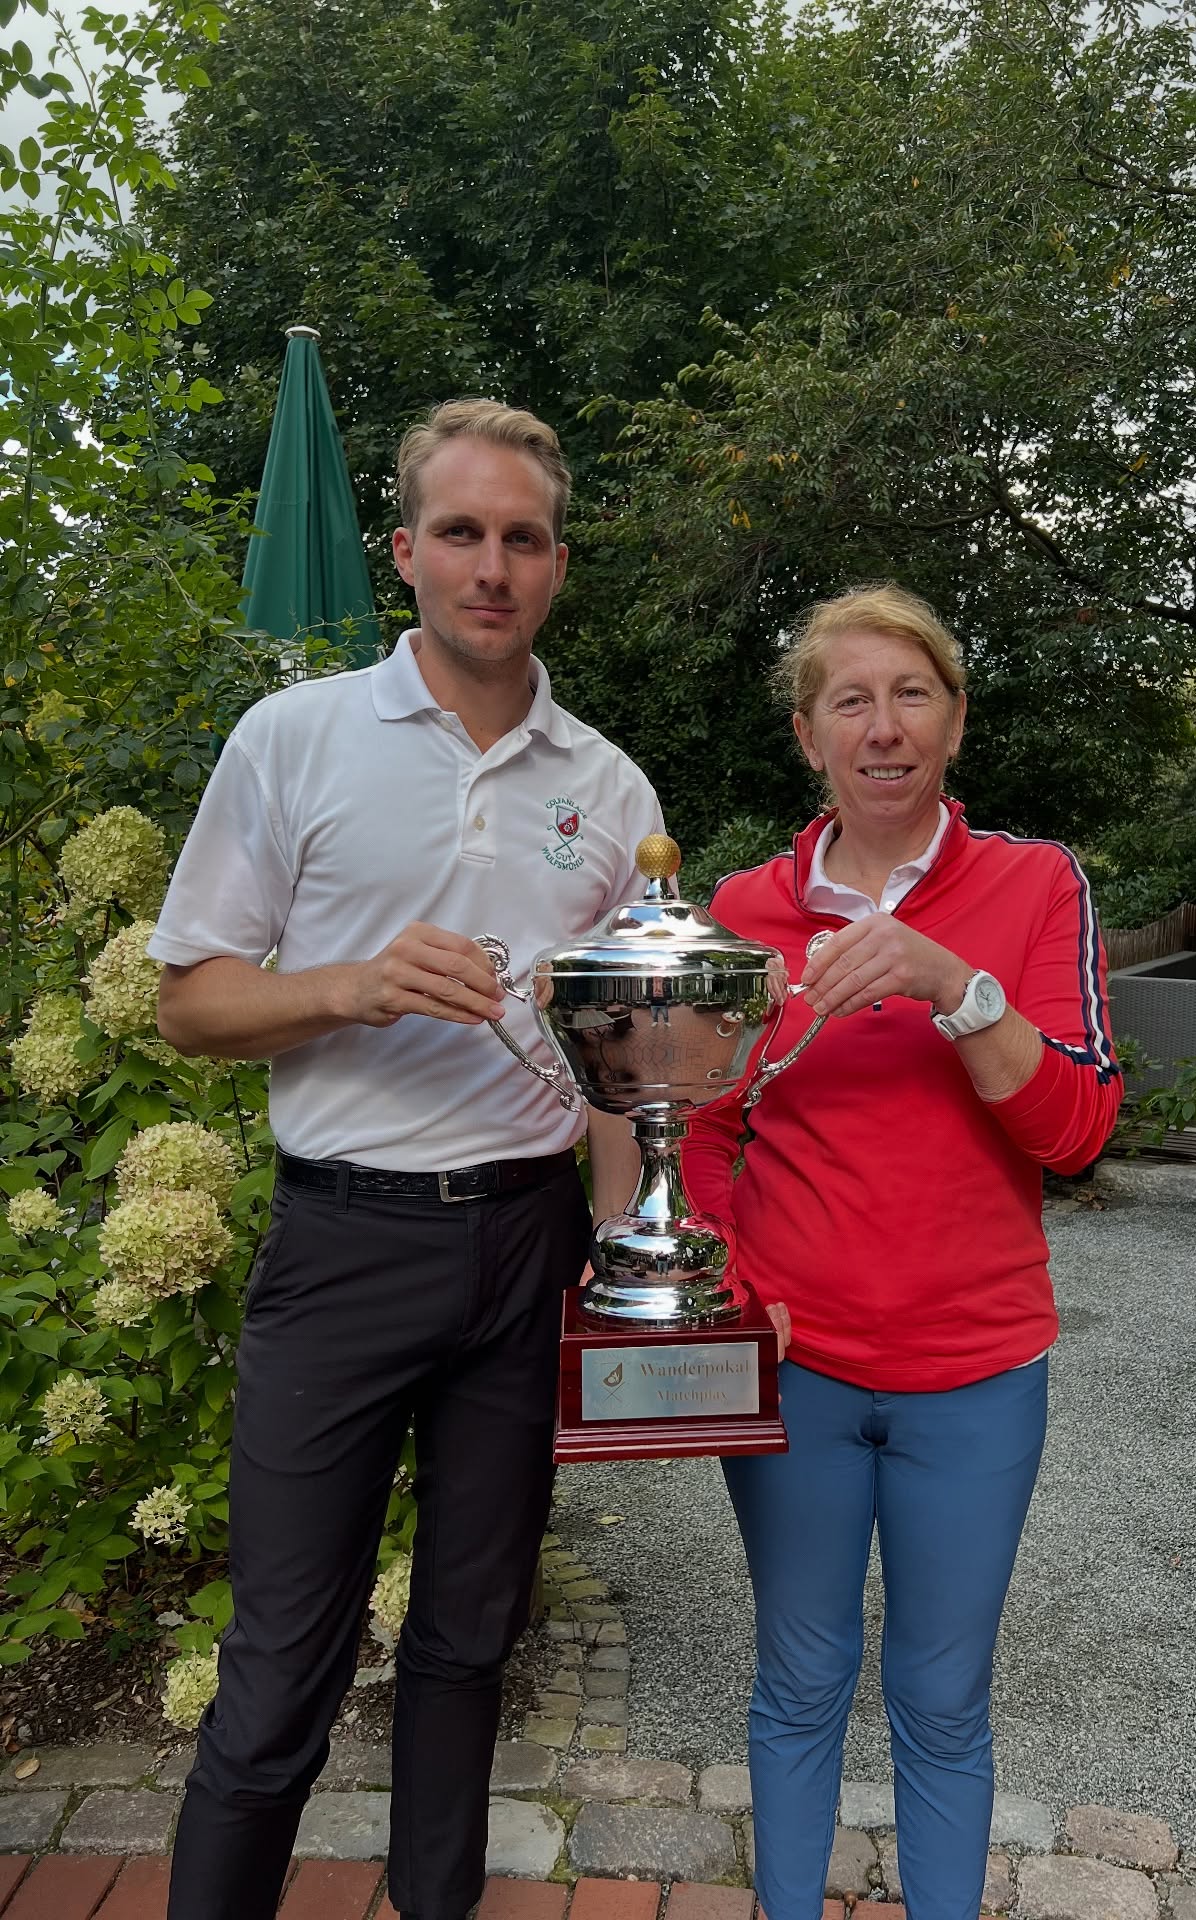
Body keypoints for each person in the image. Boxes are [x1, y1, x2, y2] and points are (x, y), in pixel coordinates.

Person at [149, 398, 664, 1920]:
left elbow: (624, 1079)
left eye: (521, 538)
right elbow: (191, 1001)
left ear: (557, 563)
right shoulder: (293, 737)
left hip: (522, 1252)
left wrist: (628, 1268)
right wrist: (352, 983)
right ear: (407, 551)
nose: (490, 565)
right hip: (344, 1248)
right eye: (461, 532)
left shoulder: (615, 795)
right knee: (281, 1666)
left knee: (467, 1644)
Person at [682, 584, 1123, 1920]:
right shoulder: (743, 908)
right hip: (797, 1370)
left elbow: (1076, 1133)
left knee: (942, 1698)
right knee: (799, 1682)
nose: (885, 727)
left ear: (955, 720)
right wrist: (731, 1291)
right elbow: (697, 1134)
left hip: (978, 1374)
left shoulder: (1033, 884)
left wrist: (951, 984)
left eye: (912, 694)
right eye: (851, 701)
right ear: (809, 736)